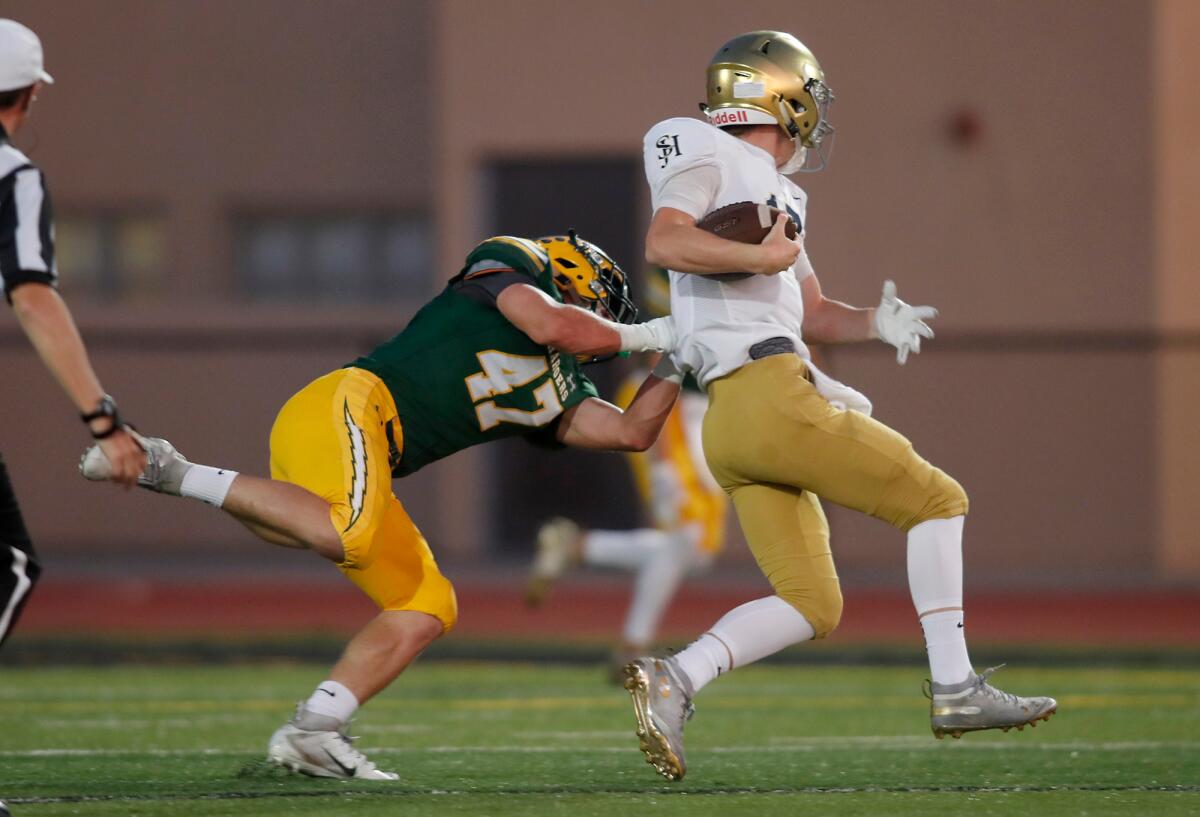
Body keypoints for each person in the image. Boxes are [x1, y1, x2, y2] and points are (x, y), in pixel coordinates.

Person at [82, 231, 682, 780]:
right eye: (601, 306)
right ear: (577, 277)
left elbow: (632, 432)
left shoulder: (562, 386)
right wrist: (653, 333)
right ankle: (169, 468)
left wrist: (683, 357)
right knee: (349, 531)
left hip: (362, 450)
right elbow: (551, 325)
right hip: (350, 403)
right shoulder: (515, 266)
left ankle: (313, 730)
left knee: (425, 604)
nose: (604, 326)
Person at [623, 30, 1056, 781]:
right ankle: (955, 685)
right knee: (936, 498)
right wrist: (762, 256)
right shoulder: (706, 149)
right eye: (807, 102)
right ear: (780, 96)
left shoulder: (775, 188)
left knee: (812, 602)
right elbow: (667, 241)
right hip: (767, 396)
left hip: (734, 419)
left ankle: (678, 677)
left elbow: (811, 309)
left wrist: (869, 321)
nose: (813, 121)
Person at [0, 19, 145, 651]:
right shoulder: (13, 176)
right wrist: (103, 421)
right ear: (30, 94)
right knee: (9, 565)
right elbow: (33, 296)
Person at [526, 269, 727, 677]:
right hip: (670, 407)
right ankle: (632, 646)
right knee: (689, 538)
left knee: (693, 547)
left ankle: (578, 547)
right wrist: (666, 461)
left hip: (686, 411)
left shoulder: (706, 256)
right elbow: (665, 347)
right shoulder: (684, 265)